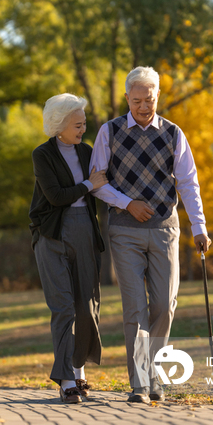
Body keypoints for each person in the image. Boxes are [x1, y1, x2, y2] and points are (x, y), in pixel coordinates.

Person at [90, 66, 211, 403]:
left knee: (164, 304)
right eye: (137, 100)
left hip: (164, 230)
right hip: (124, 230)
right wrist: (128, 204)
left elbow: (187, 182)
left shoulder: (173, 134)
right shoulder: (109, 132)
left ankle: (155, 371)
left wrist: (198, 227)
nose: (144, 106)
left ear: (158, 96)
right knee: (135, 309)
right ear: (127, 98)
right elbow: (97, 181)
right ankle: (141, 382)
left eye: (150, 99)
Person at [28, 93, 131, 404]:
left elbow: (107, 181)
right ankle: (66, 380)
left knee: (87, 306)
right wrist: (88, 185)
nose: (83, 128)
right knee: (62, 308)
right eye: (77, 123)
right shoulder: (42, 155)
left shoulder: (87, 152)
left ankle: (78, 366)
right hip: (52, 235)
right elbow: (57, 196)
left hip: (84, 231)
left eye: (84, 123)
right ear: (59, 125)